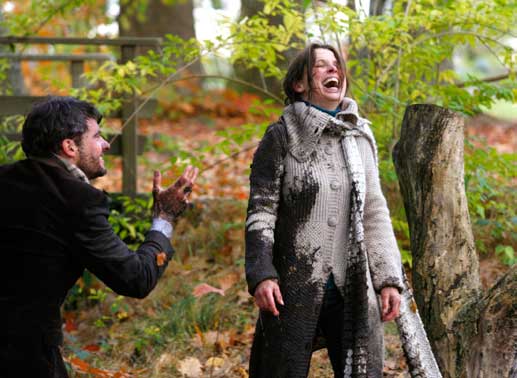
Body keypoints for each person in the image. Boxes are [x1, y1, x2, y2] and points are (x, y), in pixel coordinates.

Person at [1, 96, 198, 378]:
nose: (106, 144)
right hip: (23, 353)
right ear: (69, 146)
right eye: (97, 136)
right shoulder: (78, 200)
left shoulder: (6, 178)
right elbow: (135, 278)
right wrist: (164, 218)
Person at [245, 43, 404, 377]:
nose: (334, 70)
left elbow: (374, 211)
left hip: (354, 287)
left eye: (336, 64)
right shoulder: (280, 136)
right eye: (320, 65)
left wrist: (389, 279)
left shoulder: (361, 135)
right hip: (291, 286)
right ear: (299, 84)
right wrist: (261, 273)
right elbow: (262, 213)